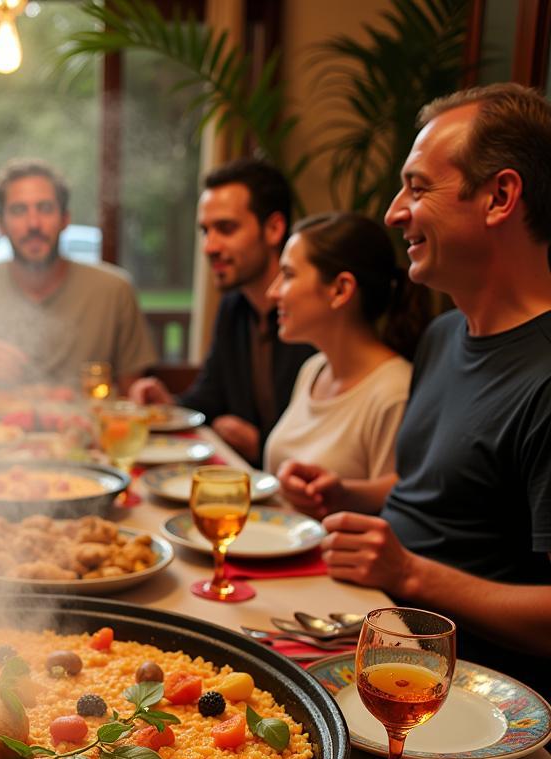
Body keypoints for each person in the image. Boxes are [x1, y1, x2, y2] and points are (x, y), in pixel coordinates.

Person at [322, 83, 551, 691]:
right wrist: (345, 492)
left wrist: (412, 575)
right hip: (371, 633)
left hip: (481, 702)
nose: (396, 211)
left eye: (417, 187)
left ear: (500, 197)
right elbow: (443, 486)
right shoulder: (443, 334)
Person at [0, 158, 156, 397]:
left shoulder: (113, 290)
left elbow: (131, 397)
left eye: (45, 208)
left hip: (86, 430)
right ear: (1, 224)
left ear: (65, 219)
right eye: (19, 211)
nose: (33, 223)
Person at [129, 159, 315, 466]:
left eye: (225, 229)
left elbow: (333, 437)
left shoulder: (311, 311)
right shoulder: (235, 306)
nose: (209, 246)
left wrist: (264, 444)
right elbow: (208, 399)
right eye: (205, 231)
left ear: (273, 229)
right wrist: (168, 404)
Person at [262, 212, 417, 518]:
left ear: (341, 290)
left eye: (289, 275)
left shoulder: (393, 393)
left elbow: (395, 515)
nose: (273, 291)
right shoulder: (313, 370)